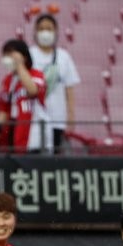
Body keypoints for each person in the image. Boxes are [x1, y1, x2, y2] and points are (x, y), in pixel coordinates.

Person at [29, 13, 80, 154]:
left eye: (49, 29)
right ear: (35, 31)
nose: (45, 32)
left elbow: (69, 88)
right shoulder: (29, 55)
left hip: (57, 118)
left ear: (56, 31)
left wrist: (71, 115)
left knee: (55, 157)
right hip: (34, 119)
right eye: (41, 28)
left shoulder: (64, 57)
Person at [0, 38, 47, 153]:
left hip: (34, 136)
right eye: (5, 55)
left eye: (10, 54)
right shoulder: (8, 80)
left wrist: (19, 65)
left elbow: (33, 90)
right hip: (13, 132)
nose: (7, 58)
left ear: (24, 56)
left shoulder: (36, 75)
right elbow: (4, 110)